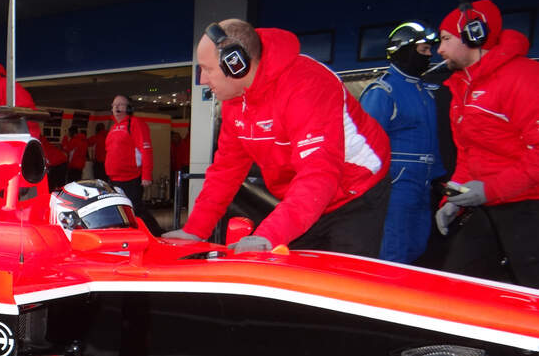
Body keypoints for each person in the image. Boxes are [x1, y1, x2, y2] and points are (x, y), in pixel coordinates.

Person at [164, 19, 390, 255]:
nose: (202, 80)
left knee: (343, 281)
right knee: (295, 273)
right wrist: (196, 230)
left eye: (208, 69)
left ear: (236, 64)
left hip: (355, 190)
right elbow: (226, 169)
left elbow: (319, 173)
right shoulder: (235, 101)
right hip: (306, 197)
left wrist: (268, 235)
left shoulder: (307, 85)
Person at [433, 0, 539, 287]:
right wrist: (454, 196)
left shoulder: (524, 78)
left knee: (530, 290)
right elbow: (469, 152)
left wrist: (489, 189)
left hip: (529, 206)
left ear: (473, 35)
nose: (439, 50)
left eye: (445, 39)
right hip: (490, 203)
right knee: (458, 284)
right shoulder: (462, 86)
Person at [359, 21, 444, 263]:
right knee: (392, 251)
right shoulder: (382, 91)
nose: (430, 56)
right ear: (404, 50)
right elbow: (366, 144)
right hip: (395, 186)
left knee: (417, 247)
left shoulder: (426, 92)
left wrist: (439, 177)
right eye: (424, 50)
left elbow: (431, 141)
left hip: (424, 184)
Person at [104, 95, 163, 236]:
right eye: (114, 105)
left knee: (135, 209)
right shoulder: (113, 127)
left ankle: (156, 234)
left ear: (129, 108)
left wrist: (146, 175)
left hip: (131, 177)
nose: (117, 107)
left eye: (121, 104)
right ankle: (132, 235)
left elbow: (146, 150)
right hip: (115, 178)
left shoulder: (135, 124)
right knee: (124, 210)